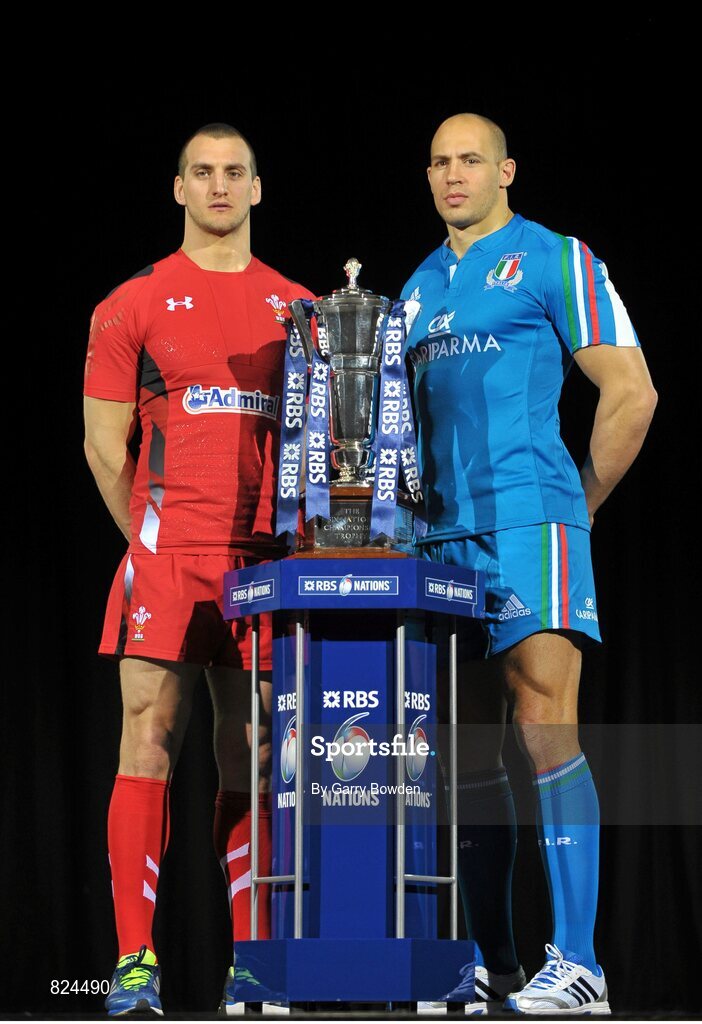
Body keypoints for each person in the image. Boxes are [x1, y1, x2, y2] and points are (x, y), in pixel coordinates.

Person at [401, 114, 656, 1016]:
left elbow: (632, 391)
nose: (453, 174)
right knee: (466, 759)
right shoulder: (416, 288)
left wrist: (574, 505)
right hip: (435, 544)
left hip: (530, 525)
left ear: (506, 170)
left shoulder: (555, 256)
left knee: (546, 725)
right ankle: (491, 963)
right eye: (439, 161)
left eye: (471, 159)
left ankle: (580, 964)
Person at [83, 123, 315, 1017]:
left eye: (235, 174)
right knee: (147, 735)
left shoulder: (298, 306)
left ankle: (252, 967)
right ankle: (134, 963)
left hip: (265, 563)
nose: (219, 187)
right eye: (203, 173)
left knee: (254, 754)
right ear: (178, 188)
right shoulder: (130, 304)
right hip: (167, 557)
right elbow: (106, 450)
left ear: (258, 189)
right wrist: (152, 543)